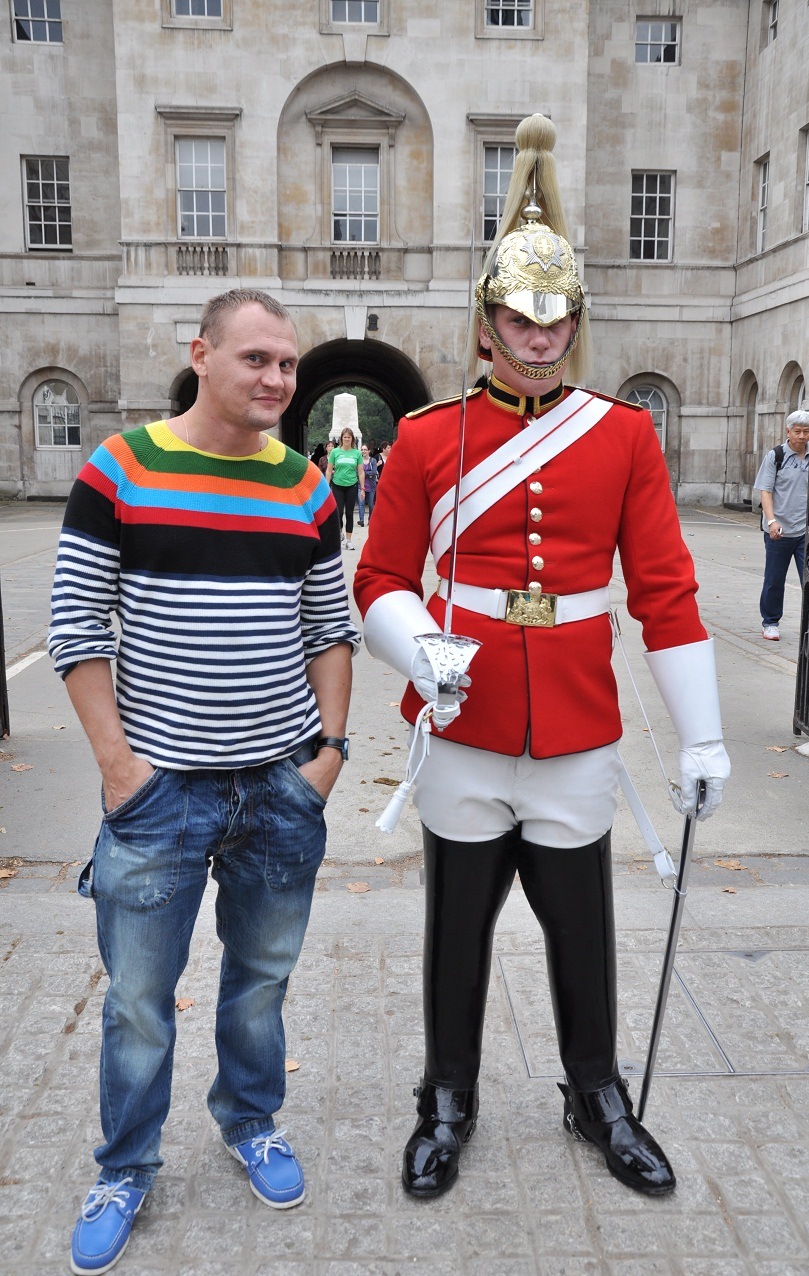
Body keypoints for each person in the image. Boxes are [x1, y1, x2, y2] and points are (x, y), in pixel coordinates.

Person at [354, 115, 730, 1202]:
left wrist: (701, 736)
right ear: (487, 323)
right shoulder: (428, 437)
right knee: (455, 930)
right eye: (520, 316)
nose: (540, 334)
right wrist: (420, 646)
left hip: (572, 724)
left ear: (575, 319)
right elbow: (377, 581)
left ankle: (596, 1093)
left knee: (581, 928)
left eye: (556, 315)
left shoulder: (621, 435)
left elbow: (663, 595)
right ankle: (446, 1096)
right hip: (464, 721)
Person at [49, 288, 359, 1275]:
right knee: (139, 1001)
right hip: (160, 794)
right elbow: (76, 628)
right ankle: (125, 1166)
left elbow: (330, 628)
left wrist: (327, 756)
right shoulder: (121, 469)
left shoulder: (305, 485)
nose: (276, 378)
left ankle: (250, 1120)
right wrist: (119, 770)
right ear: (202, 355)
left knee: (261, 983)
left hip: (279, 788)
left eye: (288, 364)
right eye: (256, 358)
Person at [754, 409, 809, 641]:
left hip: (806, 531)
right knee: (774, 580)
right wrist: (772, 521)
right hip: (779, 530)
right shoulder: (775, 456)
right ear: (788, 431)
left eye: (806, 431)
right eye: (797, 431)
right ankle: (770, 622)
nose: (802, 436)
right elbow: (766, 491)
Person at [326, 426, 365, 550]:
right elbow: (329, 470)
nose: (347, 439)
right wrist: (326, 486)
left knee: (349, 513)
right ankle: (339, 533)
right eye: (345, 437)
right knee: (338, 512)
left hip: (352, 485)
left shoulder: (357, 453)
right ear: (341, 439)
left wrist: (362, 488)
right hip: (337, 485)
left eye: (349, 437)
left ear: (352, 439)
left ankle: (348, 540)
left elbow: (361, 472)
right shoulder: (335, 452)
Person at [358, 443, 379, 525]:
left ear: (369, 451)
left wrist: (363, 473)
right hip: (361, 485)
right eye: (362, 450)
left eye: (365, 450)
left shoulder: (373, 460)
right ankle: (361, 520)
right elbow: (357, 472)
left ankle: (370, 519)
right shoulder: (359, 461)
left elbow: (374, 472)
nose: (363, 451)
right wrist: (367, 474)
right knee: (361, 504)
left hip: (371, 485)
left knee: (370, 504)